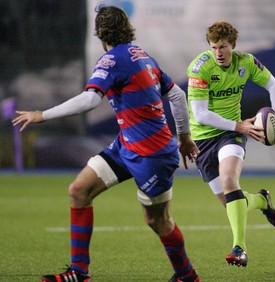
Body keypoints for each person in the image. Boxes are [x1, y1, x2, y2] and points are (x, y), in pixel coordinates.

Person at [12, 5, 200, 282]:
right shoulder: (144, 56)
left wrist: (43, 114)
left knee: (158, 221)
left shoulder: (111, 60)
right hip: (127, 147)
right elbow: (178, 97)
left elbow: (90, 100)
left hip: (153, 155)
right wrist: (183, 138)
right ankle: (79, 273)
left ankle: (187, 275)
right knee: (79, 190)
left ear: (99, 33)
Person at [187, 20, 275, 267]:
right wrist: (238, 125)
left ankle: (239, 248)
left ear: (233, 45)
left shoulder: (246, 62)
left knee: (230, 181)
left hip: (231, 134)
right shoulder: (200, 68)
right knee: (231, 201)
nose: (218, 53)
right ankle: (262, 201)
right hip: (202, 138)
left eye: (223, 47)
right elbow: (200, 115)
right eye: (213, 47)